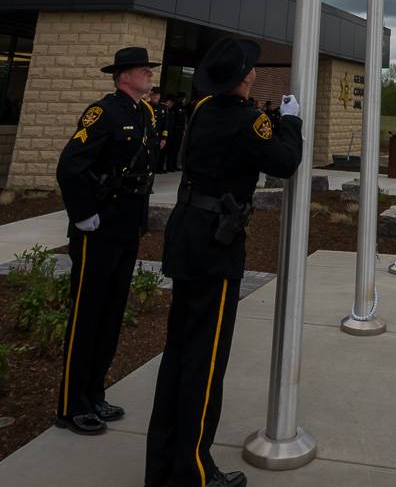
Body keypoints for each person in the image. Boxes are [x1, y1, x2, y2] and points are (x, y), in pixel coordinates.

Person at [144, 36, 303, 487]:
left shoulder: (202, 111)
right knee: (205, 362)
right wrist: (290, 122)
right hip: (216, 247)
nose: (254, 72)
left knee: (178, 355)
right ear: (243, 79)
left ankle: (161, 467)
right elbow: (286, 161)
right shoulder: (248, 120)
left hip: (188, 236)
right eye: (250, 69)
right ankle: (193, 472)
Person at [55, 45, 160, 435]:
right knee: (86, 316)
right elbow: (70, 165)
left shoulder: (142, 113)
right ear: (124, 77)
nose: (149, 75)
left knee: (111, 315)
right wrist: (82, 214)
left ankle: (94, 393)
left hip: (124, 228)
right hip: (96, 230)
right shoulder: (103, 112)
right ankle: (70, 404)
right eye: (142, 70)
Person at [149, 86, 170, 171]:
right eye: (154, 95)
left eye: (157, 95)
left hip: (157, 138)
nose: (156, 97)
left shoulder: (163, 108)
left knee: (155, 159)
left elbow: (165, 125)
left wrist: (164, 139)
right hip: (148, 137)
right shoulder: (146, 106)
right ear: (151, 95)